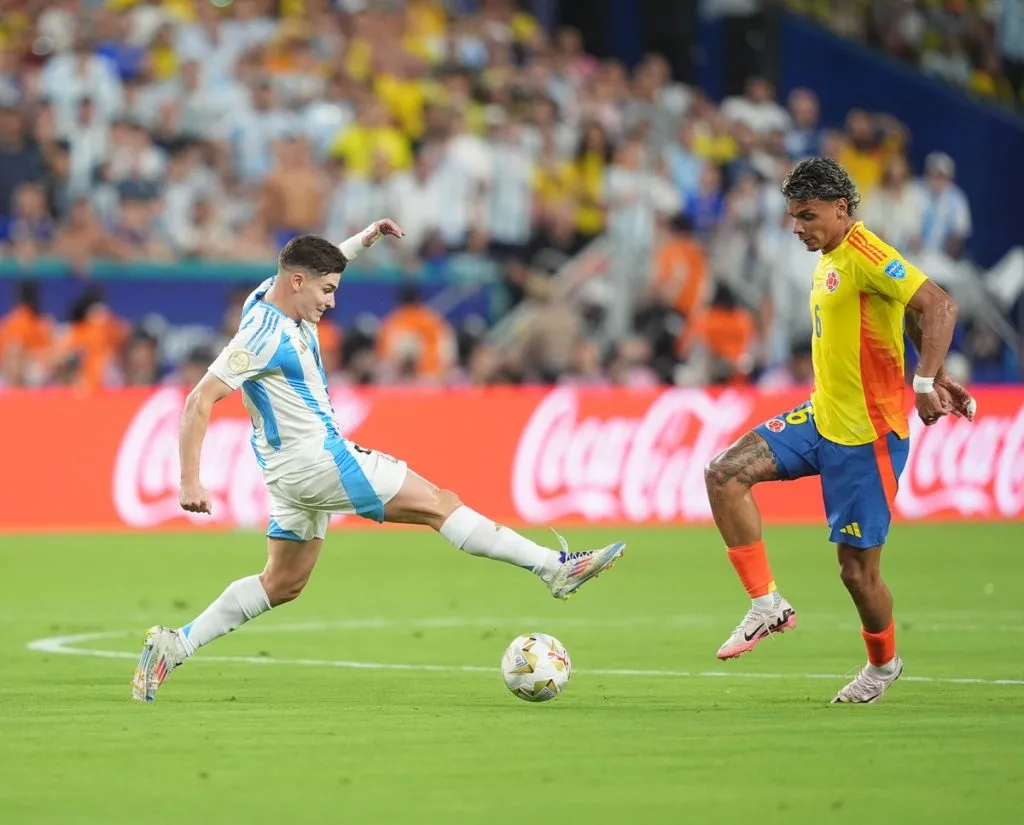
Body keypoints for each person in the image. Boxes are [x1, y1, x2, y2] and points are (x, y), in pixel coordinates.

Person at [131, 220, 625, 704]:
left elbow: (325, 260)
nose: (332, 301)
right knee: (439, 504)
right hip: (320, 461)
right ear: (298, 283)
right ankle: (553, 568)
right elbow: (199, 399)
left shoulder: (270, 292)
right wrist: (189, 478)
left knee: (282, 583)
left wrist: (365, 239)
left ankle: (175, 644)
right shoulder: (262, 336)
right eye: (326, 291)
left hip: (286, 473)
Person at [704, 157, 975, 704]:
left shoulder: (868, 253)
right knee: (723, 473)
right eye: (792, 216)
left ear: (841, 209)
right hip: (819, 416)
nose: (798, 226)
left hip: (866, 439)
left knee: (857, 574)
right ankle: (766, 606)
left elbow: (938, 305)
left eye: (807, 215)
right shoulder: (830, 255)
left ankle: (883, 665)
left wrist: (925, 383)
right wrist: (937, 371)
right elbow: (910, 318)